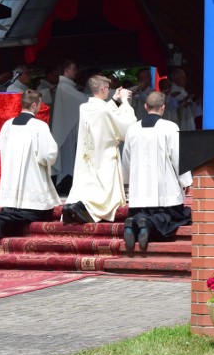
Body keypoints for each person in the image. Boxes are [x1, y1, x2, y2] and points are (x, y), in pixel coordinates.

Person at [0, 90, 60, 239]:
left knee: (12, 210)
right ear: (34, 105)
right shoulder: (39, 126)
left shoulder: (7, 125)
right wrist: (48, 163)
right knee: (39, 212)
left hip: (10, 181)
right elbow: (47, 154)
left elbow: (1, 150)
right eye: (39, 105)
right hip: (32, 181)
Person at [122, 91, 191, 251]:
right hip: (164, 191)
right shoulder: (170, 127)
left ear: (145, 107)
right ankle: (148, 223)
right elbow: (178, 157)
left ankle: (134, 221)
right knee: (178, 216)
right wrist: (186, 181)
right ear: (163, 107)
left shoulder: (132, 129)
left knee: (142, 211)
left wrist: (126, 182)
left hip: (139, 192)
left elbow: (126, 159)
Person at [63, 75, 135, 224]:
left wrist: (114, 100)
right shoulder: (103, 110)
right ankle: (82, 206)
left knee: (87, 184)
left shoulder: (85, 107)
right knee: (103, 192)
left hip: (88, 154)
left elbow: (104, 113)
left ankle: (74, 204)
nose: (109, 91)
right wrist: (125, 101)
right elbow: (128, 126)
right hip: (104, 155)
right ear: (102, 88)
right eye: (108, 88)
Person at [50, 60, 86, 187]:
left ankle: (67, 181)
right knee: (67, 157)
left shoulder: (68, 87)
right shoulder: (64, 87)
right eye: (73, 69)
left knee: (70, 156)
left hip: (69, 125)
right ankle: (65, 183)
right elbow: (83, 100)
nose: (76, 72)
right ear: (66, 70)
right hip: (66, 129)